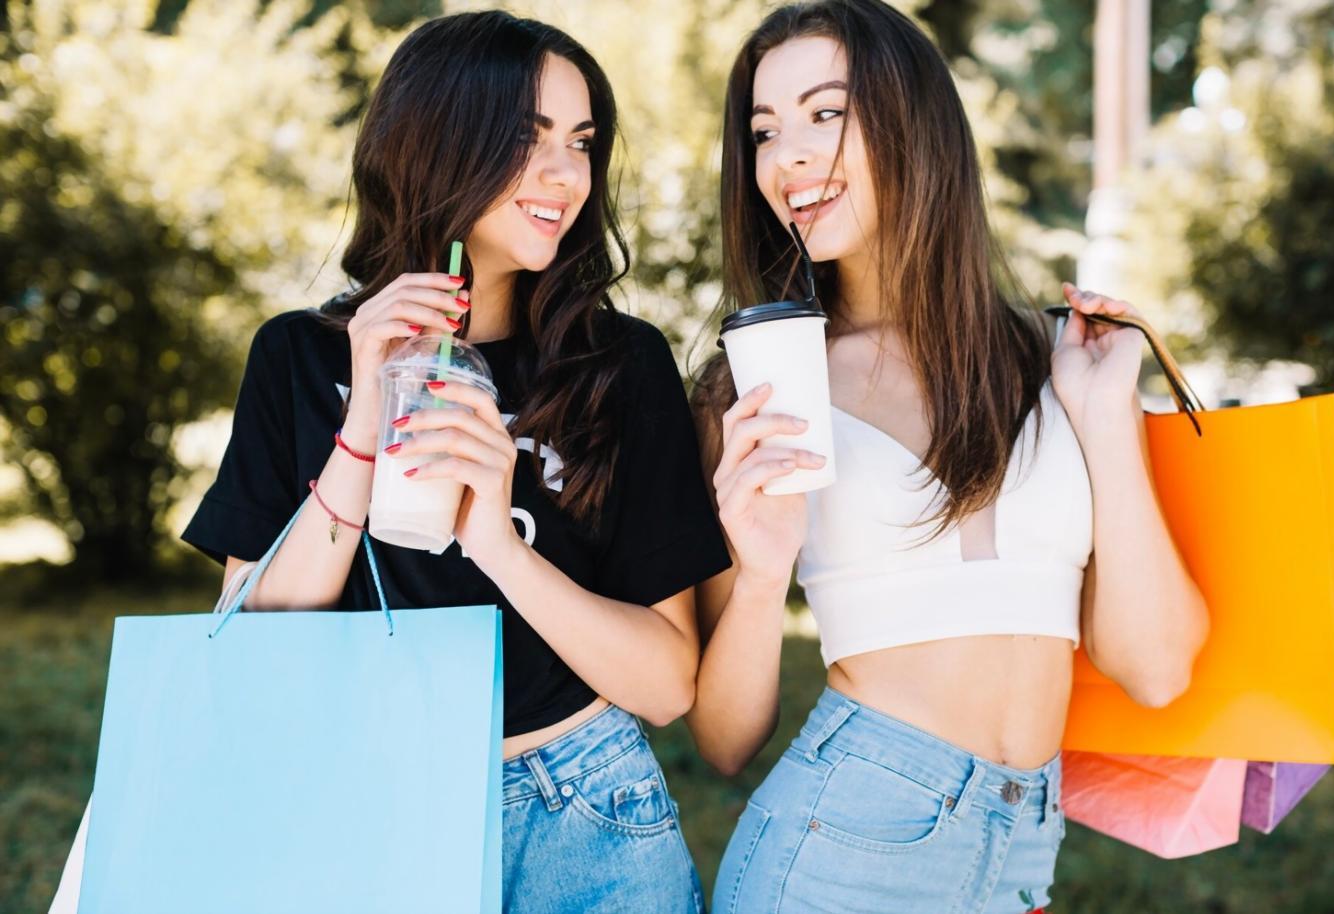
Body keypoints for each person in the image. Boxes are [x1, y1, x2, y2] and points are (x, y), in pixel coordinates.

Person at [181, 11, 728, 913]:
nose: (567, 175)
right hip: (367, 801)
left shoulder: (618, 367)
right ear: (437, 142)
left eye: (581, 142)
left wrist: (498, 541)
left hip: (583, 807)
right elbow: (253, 630)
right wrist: (366, 413)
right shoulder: (300, 356)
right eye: (527, 138)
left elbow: (667, 685)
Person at [686, 2, 1210, 911]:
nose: (788, 157)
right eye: (765, 131)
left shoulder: (1054, 359)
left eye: (825, 114)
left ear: (915, 123)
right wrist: (764, 577)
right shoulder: (759, 387)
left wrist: (1106, 417)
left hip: (1019, 858)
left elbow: (1156, 668)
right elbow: (724, 741)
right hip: (839, 850)